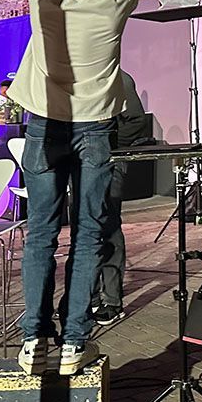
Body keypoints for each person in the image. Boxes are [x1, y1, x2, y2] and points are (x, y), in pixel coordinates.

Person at [9, 0, 147, 376]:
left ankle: (32, 341)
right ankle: (73, 344)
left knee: (41, 234)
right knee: (89, 234)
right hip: (93, 129)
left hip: (45, 125)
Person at [91, 69, 146, 328]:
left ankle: (111, 300)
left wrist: (107, 150)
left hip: (109, 163)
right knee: (85, 232)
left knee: (109, 228)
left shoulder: (118, 77)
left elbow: (135, 121)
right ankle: (86, 296)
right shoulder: (74, 74)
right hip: (80, 165)